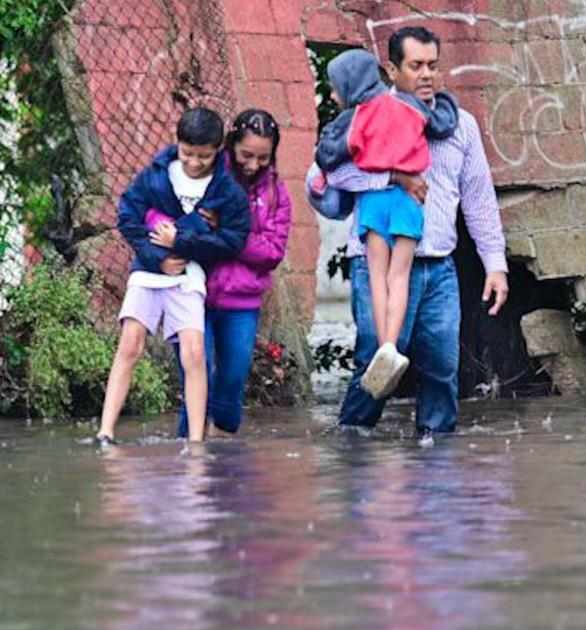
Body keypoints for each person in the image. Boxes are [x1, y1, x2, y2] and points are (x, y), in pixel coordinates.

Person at [316, 26, 509, 435]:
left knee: (442, 365)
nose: (426, 75)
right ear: (392, 69)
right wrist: (392, 176)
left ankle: (437, 456)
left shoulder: (460, 125)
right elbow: (324, 176)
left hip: (439, 265)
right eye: (415, 66)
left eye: (433, 66)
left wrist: (495, 264)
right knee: (377, 355)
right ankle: (351, 444)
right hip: (376, 264)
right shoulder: (368, 115)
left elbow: (478, 197)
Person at [309, 48, 459, 399]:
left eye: (335, 88)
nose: (333, 95)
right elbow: (443, 124)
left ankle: (383, 346)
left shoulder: (355, 115)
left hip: (374, 202)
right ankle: (391, 346)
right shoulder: (411, 106)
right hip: (410, 201)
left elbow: (326, 157)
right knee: (400, 275)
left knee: (377, 275)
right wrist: (448, 99)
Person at [96, 107, 251, 445]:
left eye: (204, 156)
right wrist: (158, 259)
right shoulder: (155, 175)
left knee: (195, 352)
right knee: (130, 343)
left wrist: (182, 241)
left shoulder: (227, 190)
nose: (194, 162)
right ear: (177, 144)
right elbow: (128, 217)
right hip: (149, 271)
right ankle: (105, 431)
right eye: (188, 154)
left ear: (218, 150)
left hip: (190, 273)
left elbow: (233, 240)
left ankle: (195, 441)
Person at [147, 109, 292, 438]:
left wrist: (229, 236)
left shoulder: (275, 194)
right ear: (229, 147)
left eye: (263, 158)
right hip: (192, 292)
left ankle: (226, 463)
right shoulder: (200, 174)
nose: (253, 165)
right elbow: (157, 211)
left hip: (241, 301)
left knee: (231, 382)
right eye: (246, 155)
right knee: (198, 375)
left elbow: (272, 251)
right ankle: (190, 455)